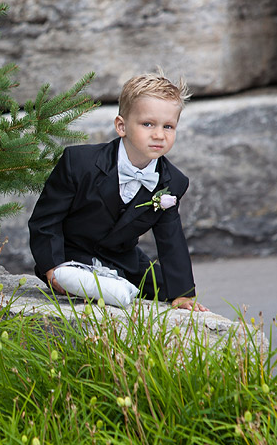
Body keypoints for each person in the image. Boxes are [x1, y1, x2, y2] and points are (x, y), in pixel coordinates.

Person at [28, 71, 208, 312]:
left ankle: (112, 282)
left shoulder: (173, 182)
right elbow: (46, 219)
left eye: (168, 126)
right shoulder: (79, 162)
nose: (159, 135)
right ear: (121, 126)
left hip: (121, 257)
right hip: (72, 252)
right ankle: (87, 280)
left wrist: (183, 293)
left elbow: (171, 237)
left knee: (166, 286)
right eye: (147, 124)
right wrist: (51, 269)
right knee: (69, 274)